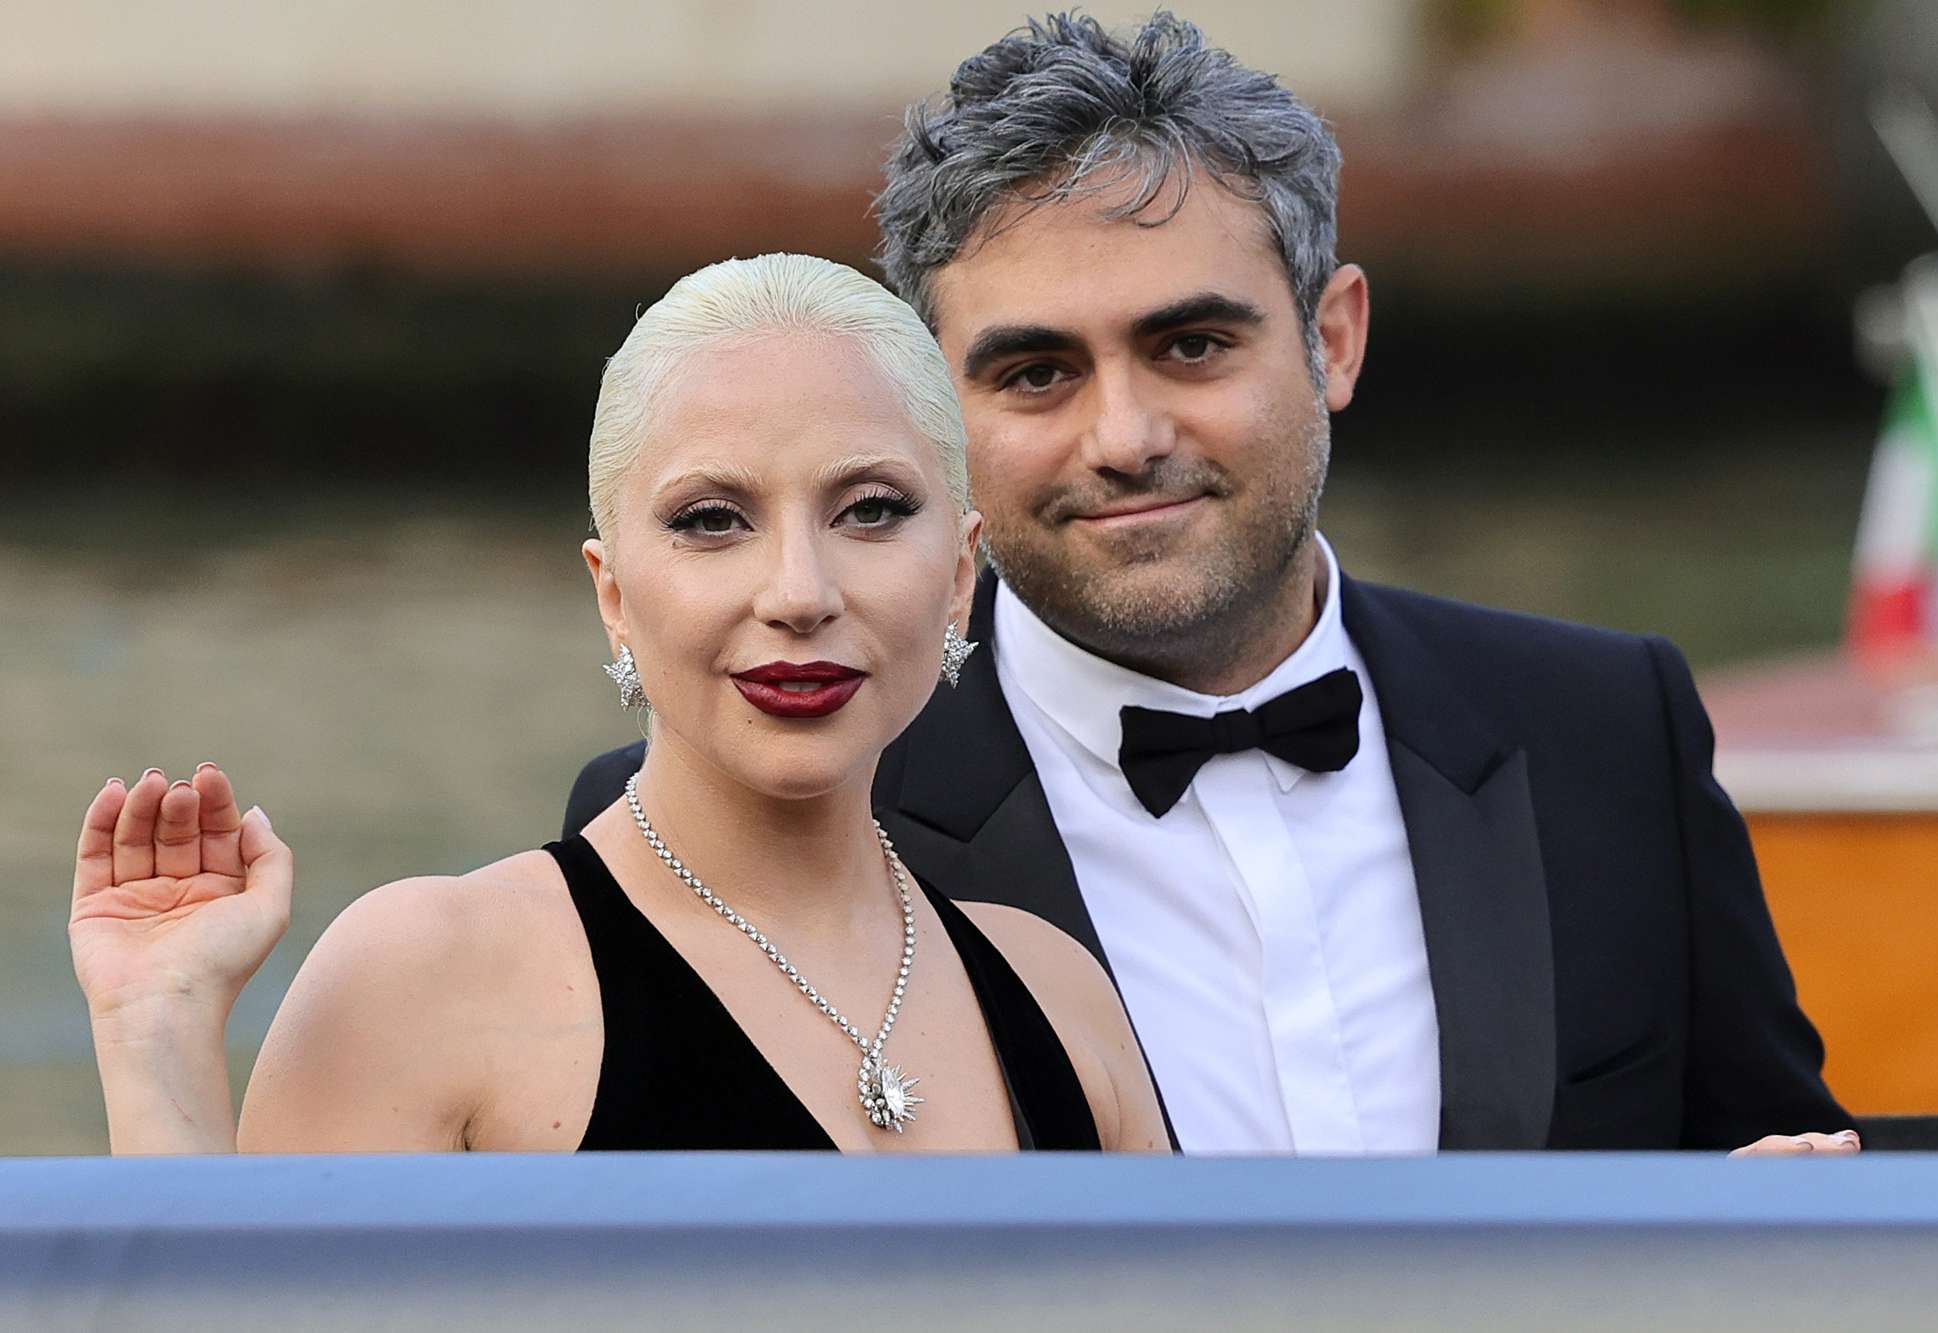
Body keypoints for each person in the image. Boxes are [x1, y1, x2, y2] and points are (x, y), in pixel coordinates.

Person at [567, 13, 1857, 1154]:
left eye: (1189, 346)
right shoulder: (731, 804)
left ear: (1331, 338)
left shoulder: (1606, 728)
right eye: (1034, 374)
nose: (1123, 437)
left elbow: (1775, 1178)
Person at [69, 253, 1167, 1155]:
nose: (799, 592)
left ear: (961, 574)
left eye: (870, 510)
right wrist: (155, 1033)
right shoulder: (424, 978)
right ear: (613, 596)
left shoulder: (1061, 997)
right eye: (711, 520)